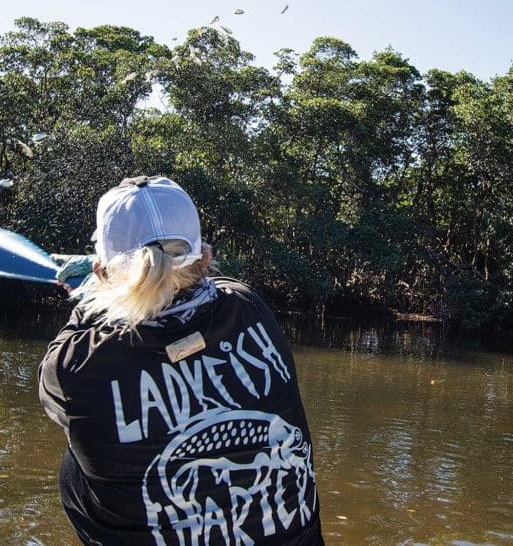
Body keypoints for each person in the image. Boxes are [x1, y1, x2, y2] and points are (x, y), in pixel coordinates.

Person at [38, 175, 324, 545]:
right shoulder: (250, 306)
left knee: (77, 459)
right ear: (204, 257)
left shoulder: (75, 365)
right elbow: (210, 296)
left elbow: (59, 383)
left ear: (102, 271)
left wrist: (91, 304)